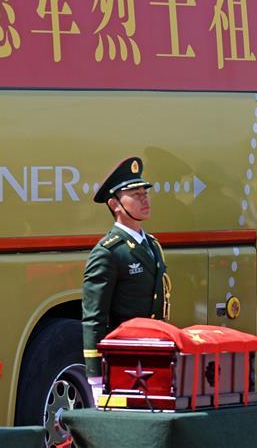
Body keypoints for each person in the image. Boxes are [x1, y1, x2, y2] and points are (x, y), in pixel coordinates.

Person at [82, 157, 171, 403]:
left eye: (145, 192)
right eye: (135, 193)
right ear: (115, 204)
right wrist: (95, 378)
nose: (144, 198)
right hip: (124, 361)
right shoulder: (109, 252)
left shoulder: (152, 245)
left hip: (153, 356)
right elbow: (94, 318)